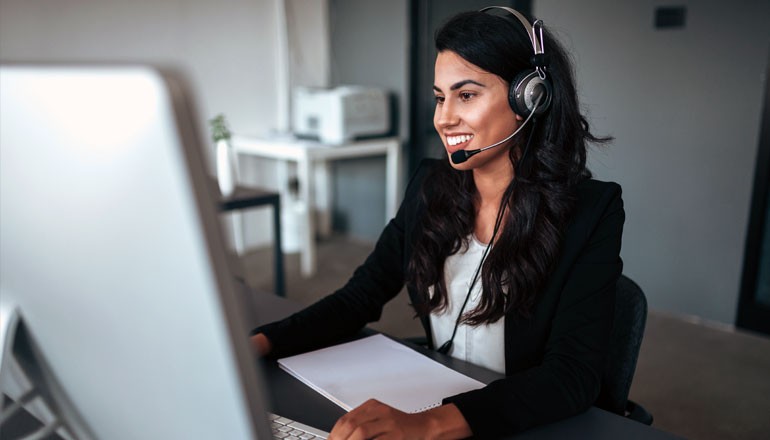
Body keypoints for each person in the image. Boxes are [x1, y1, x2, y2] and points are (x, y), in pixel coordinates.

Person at [252, 6, 624, 439]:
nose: (443, 119)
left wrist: (429, 424)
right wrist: (256, 344)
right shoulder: (431, 185)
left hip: (515, 420)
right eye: (440, 97)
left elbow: (571, 375)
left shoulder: (590, 210)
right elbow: (360, 297)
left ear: (531, 99)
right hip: (438, 390)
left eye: (466, 95)